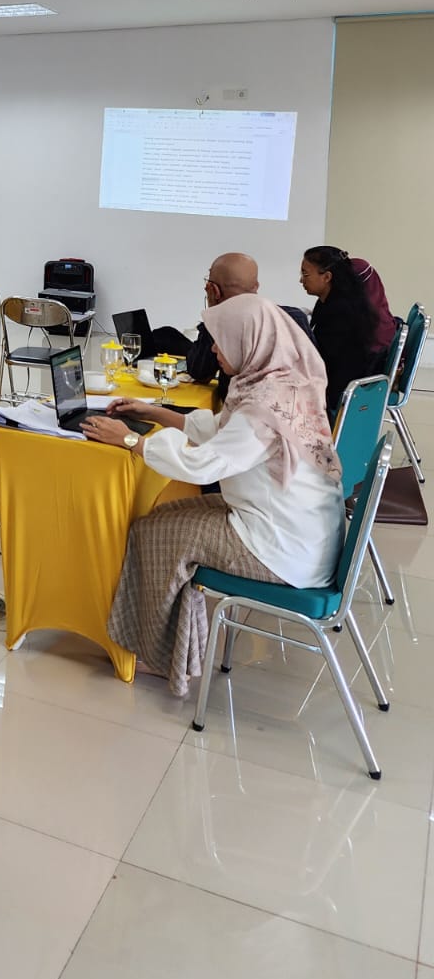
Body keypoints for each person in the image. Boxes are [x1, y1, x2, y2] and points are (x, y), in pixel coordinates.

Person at [82, 296, 344, 698]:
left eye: (221, 340)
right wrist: (156, 413)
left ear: (249, 340)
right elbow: (223, 431)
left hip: (281, 547)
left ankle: (160, 656)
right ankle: (175, 648)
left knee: (154, 534)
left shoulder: (262, 410)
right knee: (161, 519)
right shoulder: (281, 382)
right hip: (297, 530)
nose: (215, 349)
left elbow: (203, 466)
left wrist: (131, 440)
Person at [186, 252, 313, 399]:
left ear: (213, 290)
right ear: (256, 286)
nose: (215, 348)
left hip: (240, 409)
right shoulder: (294, 317)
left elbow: (200, 373)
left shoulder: (226, 325)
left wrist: (214, 312)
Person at [300, 245, 386, 421]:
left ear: (327, 277)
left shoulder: (340, 311)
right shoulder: (334, 301)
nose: (301, 280)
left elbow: (321, 358)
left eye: (306, 274)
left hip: (336, 389)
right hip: (335, 379)